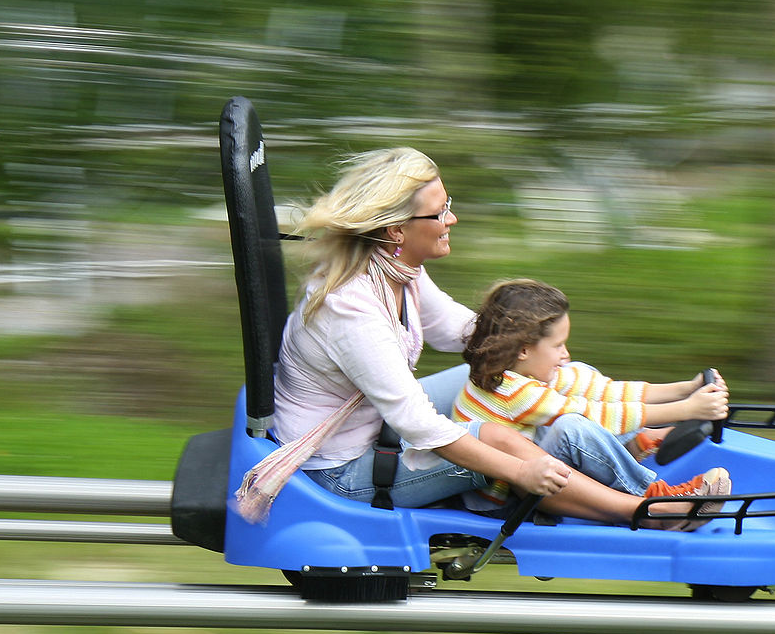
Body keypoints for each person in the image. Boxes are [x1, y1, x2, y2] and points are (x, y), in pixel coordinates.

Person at [268, 147, 725, 529]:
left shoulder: (397, 271)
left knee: (529, 371)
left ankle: (610, 437)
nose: (453, 217)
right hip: (338, 469)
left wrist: (540, 350)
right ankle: (649, 509)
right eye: (440, 210)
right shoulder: (351, 309)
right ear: (396, 231)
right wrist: (525, 469)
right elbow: (421, 428)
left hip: (373, 423)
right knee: (501, 441)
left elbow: (469, 334)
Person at [453, 278, 732, 511]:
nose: (565, 353)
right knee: (572, 427)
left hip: (526, 470)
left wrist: (685, 389)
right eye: (558, 345)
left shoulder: (513, 371)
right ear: (523, 350)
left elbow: (602, 391)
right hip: (503, 499)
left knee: (579, 372)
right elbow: (592, 416)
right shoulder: (515, 392)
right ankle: (656, 498)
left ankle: (636, 441)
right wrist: (686, 410)